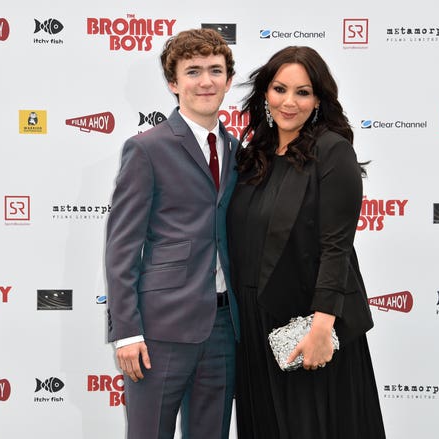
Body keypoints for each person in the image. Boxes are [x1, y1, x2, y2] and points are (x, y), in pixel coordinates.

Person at [227, 46, 386, 439]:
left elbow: (338, 248)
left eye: (303, 92)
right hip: (254, 320)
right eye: (280, 89)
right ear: (265, 92)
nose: (289, 102)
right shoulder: (254, 154)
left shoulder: (332, 151)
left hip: (307, 320)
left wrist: (321, 327)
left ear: (318, 100)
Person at [105, 28, 240, 439]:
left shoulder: (237, 150)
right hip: (159, 329)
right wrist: (126, 331)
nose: (205, 81)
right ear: (173, 82)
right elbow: (122, 246)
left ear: (228, 81)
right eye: (193, 71)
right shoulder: (147, 149)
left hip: (223, 328)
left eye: (215, 71)